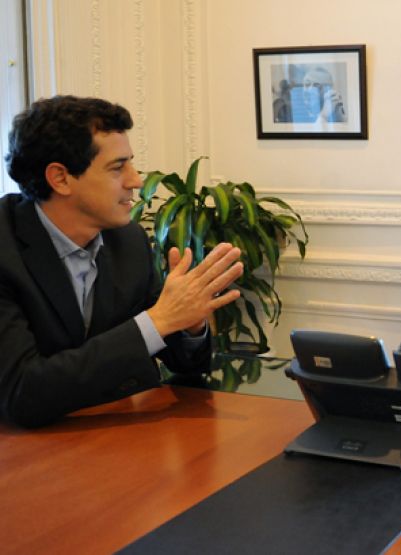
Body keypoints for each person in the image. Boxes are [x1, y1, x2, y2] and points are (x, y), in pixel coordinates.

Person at [1, 96, 244, 428]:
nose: (136, 180)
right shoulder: (5, 248)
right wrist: (157, 322)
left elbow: (183, 361)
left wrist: (189, 322)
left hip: (107, 431)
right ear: (60, 178)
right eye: (118, 167)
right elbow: (21, 393)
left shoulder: (127, 241)